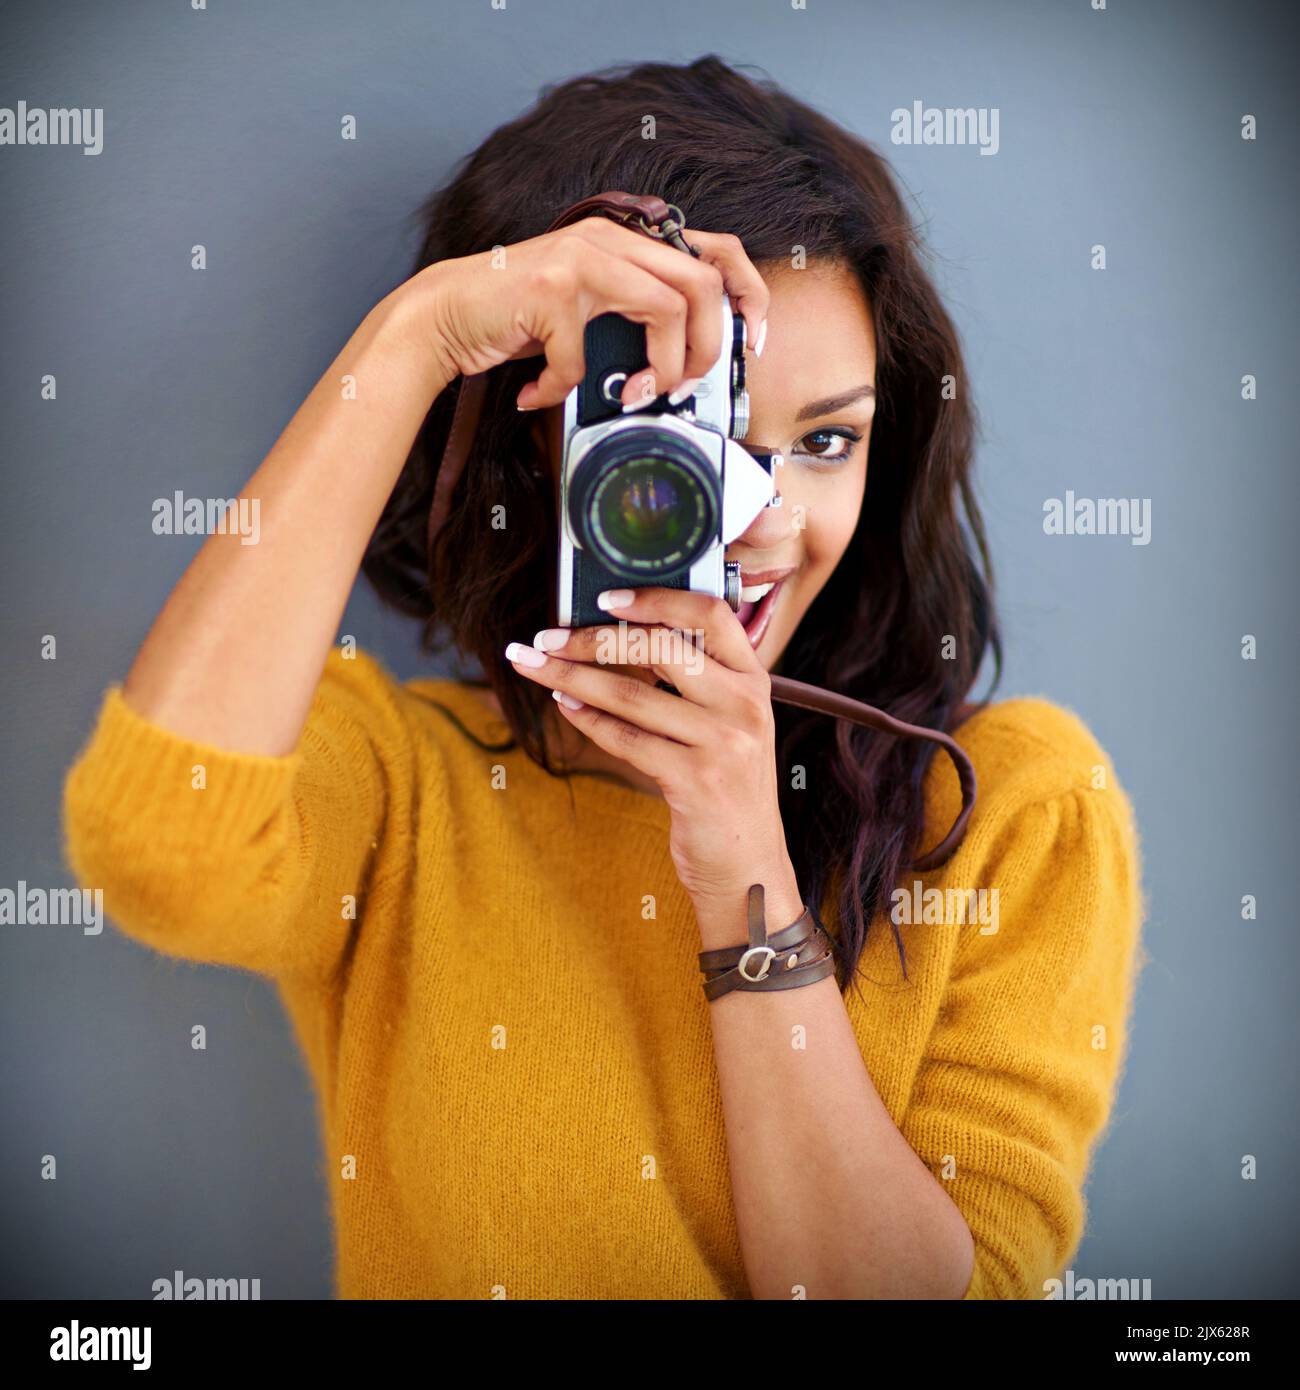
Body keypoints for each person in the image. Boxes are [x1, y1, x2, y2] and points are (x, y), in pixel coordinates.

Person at [62, 55, 1144, 1299]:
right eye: (688, 441)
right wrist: (418, 334)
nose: (760, 519)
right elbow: (156, 849)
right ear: (538, 444)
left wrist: (740, 860)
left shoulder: (1012, 808)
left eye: (825, 440)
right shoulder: (408, 783)